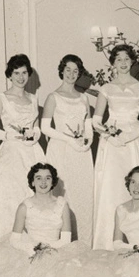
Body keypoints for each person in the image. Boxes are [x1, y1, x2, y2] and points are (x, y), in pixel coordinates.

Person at [91, 44, 139, 250]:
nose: (123, 63)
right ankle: (106, 242)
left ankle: (136, 239)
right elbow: (96, 121)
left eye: (126, 59)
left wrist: (129, 136)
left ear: (132, 62)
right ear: (113, 63)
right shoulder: (106, 89)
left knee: (135, 184)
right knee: (111, 185)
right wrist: (109, 134)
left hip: (133, 141)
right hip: (111, 143)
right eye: (118, 59)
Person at [0, 54, 46, 236]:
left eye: (24, 73)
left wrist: (35, 135)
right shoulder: (2, 98)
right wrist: (10, 135)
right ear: (9, 75)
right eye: (16, 73)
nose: (21, 77)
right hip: (11, 153)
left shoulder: (33, 99)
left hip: (32, 152)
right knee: (11, 195)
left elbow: (36, 127)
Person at [41, 54, 94, 243]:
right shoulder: (53, 97)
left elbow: (88, 124)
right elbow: (45, 128)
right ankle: (60, 242)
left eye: (75, 71)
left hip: (81, 152)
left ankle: (84, 242)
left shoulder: (83, 97)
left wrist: (88, 139)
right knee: (64, 194)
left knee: (83, 195)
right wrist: (69, 140)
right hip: (60, 150)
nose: (71, 74)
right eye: (68, 70)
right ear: (61, 71)